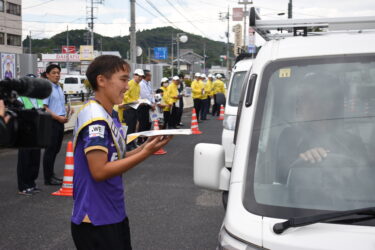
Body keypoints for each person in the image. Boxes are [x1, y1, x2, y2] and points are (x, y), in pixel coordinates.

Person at [71, 55, 172, 250]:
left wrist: (147, 147)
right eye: (123, 79)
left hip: (111, 212)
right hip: (96, 219)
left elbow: (116, 158)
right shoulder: (96, 119)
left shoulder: (108, 114)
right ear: (101, 80)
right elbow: (99, 170)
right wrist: (144, 154)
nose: (127, 86)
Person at [276, 73, 367, 183]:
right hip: (299, 198)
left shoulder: (353, 141)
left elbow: (366, 179)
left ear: (333, 104)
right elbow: (281, 178)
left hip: (348, 198)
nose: (314, 104)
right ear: (299, 105)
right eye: (306, 99)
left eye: (320, 98)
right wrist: (304, 160)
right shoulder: (290, 137)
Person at [16, 75, 44, 195]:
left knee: (34, 160)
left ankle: (31, 184)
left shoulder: (38, 98)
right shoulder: (19, 98)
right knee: (25, 160)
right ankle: (23, 187)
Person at [43, 64, 68, 185]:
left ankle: (51, 175)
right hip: (51, 122)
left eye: (58, 73)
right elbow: (44, 107)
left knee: (56, 149)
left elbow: (59, 106)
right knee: (50, 150)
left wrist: (67, 113)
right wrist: (58, 117)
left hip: (60, 122)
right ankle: (48, 178)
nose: (57, 75)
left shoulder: (59, 88)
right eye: (53, 73)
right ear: (47, 74)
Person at [119, 69, 144, 150]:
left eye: (141, 77)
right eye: (139, 76)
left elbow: (137, 96)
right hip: (128, 108)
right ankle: (128, 145)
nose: (140, 78)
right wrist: (133, 101)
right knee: (129, 127)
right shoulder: (130, 84)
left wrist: (139, 100)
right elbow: (125, 95)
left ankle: (132, 143)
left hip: (135, 107)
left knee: (133, 127)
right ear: (134, 76)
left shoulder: (138, 85)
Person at [137, 69, 155, 145]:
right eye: (149, 75)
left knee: (148, 123)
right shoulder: (142, 84)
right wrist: (151, 104)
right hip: (143, 105)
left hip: (149, 105)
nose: (151, 77)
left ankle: (146, 139)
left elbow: (151, 94)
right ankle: (140, 140)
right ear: (146, 76)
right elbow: (145, 96)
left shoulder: (148, 84)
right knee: (143, 123)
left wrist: (153, 103)